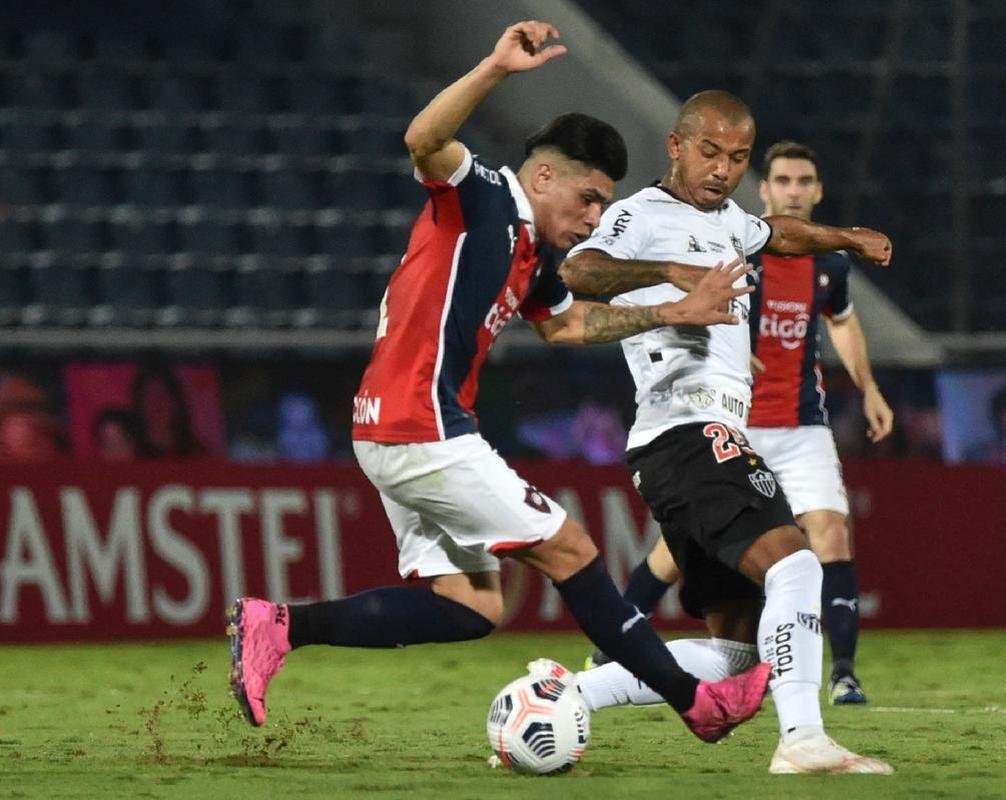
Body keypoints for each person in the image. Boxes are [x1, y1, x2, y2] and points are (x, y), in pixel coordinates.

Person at [227, 21, 772, 746]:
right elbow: (423, 139)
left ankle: (278, 626)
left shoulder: (536, 257)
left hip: (398, 426)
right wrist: (493, 68)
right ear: (543, 175)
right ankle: (697, 703)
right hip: (421, 424)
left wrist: (677, 310)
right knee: (572, 549)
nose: (592, 218)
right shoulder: (482, 195)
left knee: (473, 606)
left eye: (603, 206)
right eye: (586, 199)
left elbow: (568, 327)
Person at [556, 93, 894, 773]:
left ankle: (564, 697)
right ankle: (802, 739)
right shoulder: (639, 215)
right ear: (676, 146)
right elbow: (578, 270)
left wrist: (844, 237)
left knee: (736, 653)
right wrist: (670, 276)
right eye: (710, 152)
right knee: (797, 562)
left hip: (686, 440)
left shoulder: (729, 218)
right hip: (686, 429)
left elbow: (779, 233)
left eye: (737, 158)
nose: (722, 169)